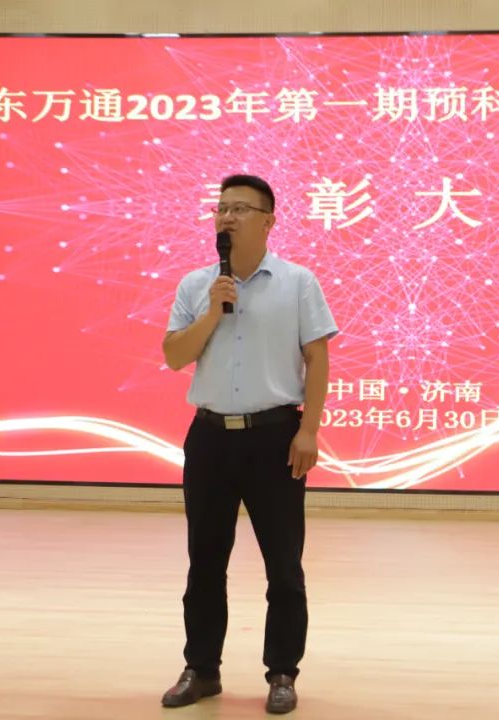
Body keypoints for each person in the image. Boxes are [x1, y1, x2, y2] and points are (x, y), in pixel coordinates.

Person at [160, 174, 337, 714]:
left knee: (283, 566)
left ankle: (282, 672)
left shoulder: (297, 282)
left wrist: (309, 430)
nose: (227, 217)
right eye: (221, 208)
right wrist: (213, 312)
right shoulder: (197, 285)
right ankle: (201, 669)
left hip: (275, 437)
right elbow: (174, 355)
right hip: (210, 438)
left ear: (268, 221)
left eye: (240, 208)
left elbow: (317, 357)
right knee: (204, 563)